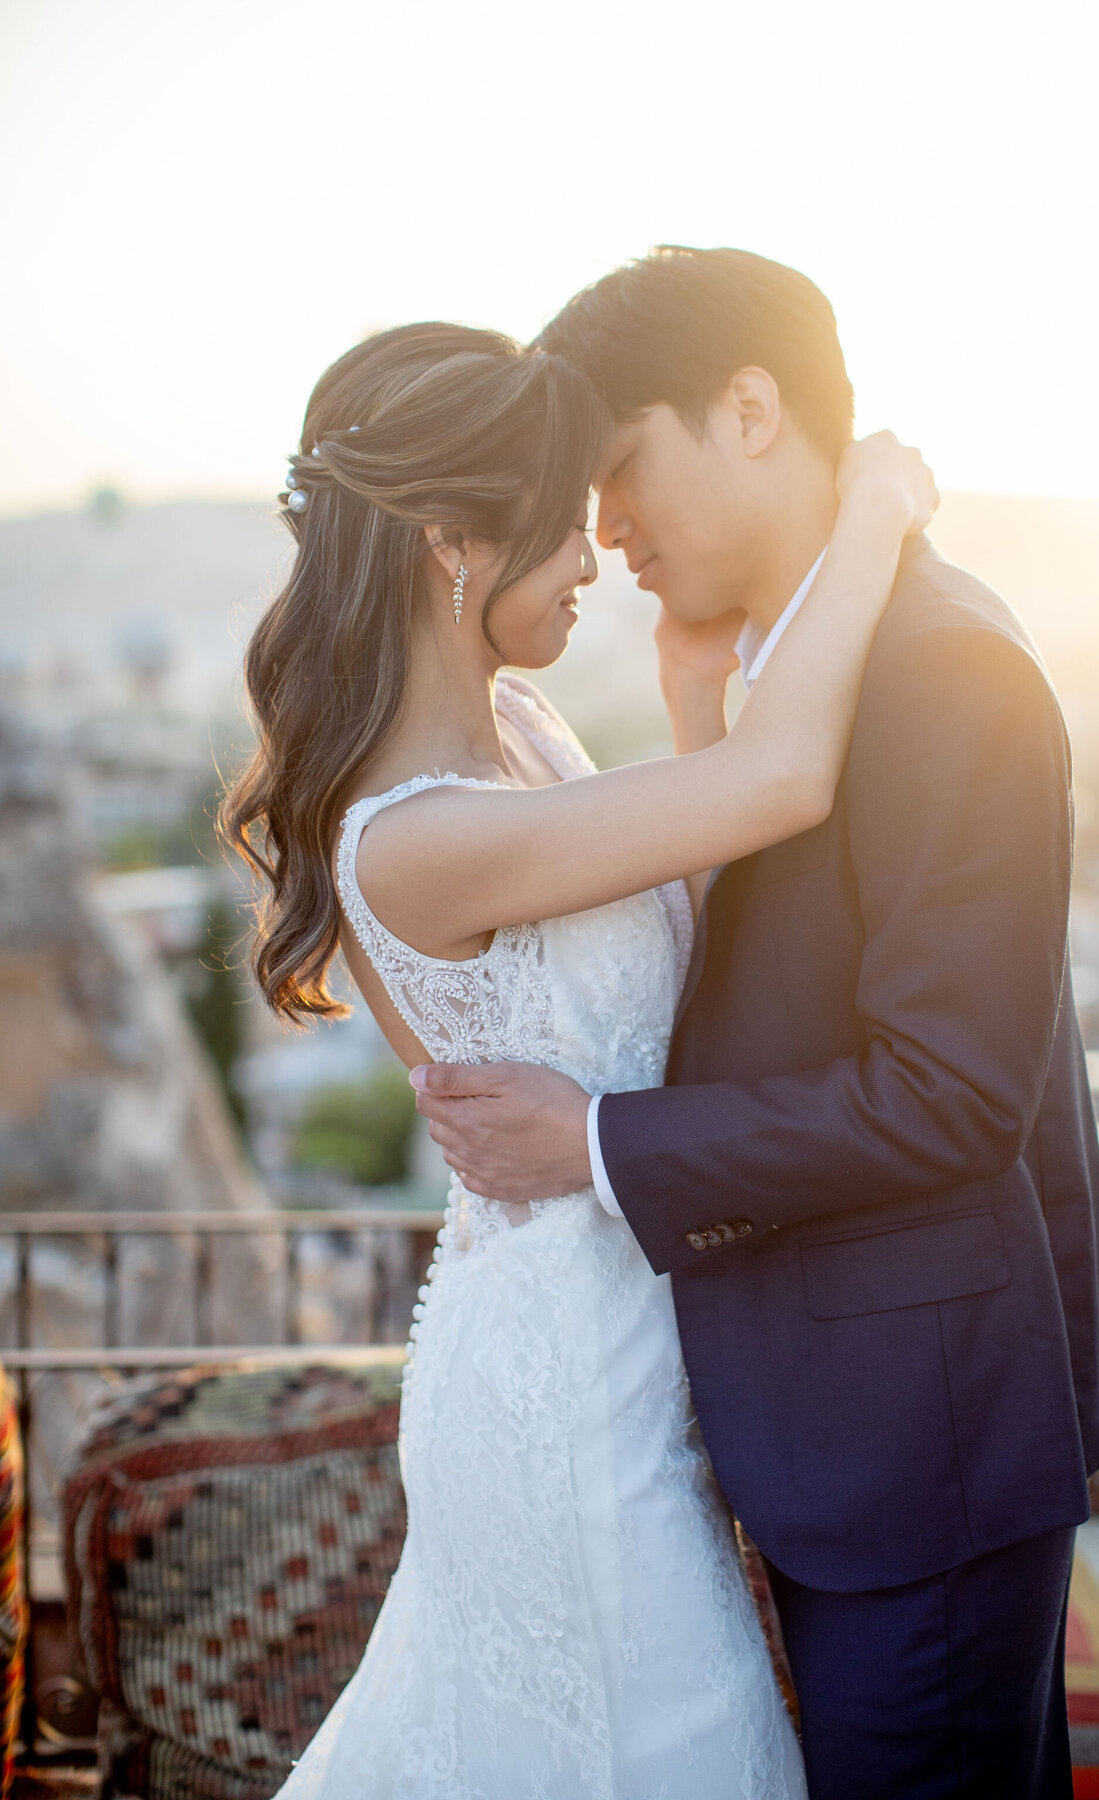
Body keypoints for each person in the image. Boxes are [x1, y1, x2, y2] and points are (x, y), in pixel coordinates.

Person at [410, 248, 1099, 1799]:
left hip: (917, 1450)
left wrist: (595, 1142)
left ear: (750, 409)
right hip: (835, 1437)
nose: (602, 532)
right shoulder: (808, 672)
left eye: (618, 468)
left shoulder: (942, 670)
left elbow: (950, 1091)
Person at [221, 316, 936, 1799]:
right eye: (561, 522)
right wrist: (872, 515)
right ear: (450, 543)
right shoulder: (410, 836)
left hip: (635, 1367)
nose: (596, 556)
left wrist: (686, 701)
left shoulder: (525, 734)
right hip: (560, 1404)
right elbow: (785, 781)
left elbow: (685, 921)